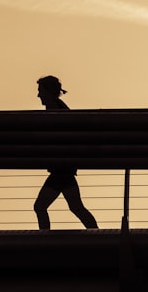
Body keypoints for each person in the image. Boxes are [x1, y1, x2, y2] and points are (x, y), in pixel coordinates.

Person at [32, 75, 98, 230]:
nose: (38, 95)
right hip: (64, 168)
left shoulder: (54, 110)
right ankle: (97, 234)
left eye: (40, 91)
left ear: (48, 92)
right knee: (76, 207)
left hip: (61, 169)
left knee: (40, 206)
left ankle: (44, 240)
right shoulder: (59, 107)